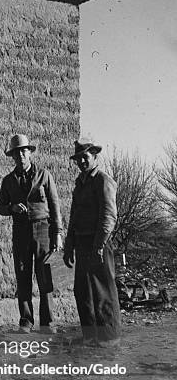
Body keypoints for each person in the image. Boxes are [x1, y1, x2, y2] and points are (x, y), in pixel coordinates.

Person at [0, 134, 63, 333]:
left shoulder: (44, 175)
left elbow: (55, 205)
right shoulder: (8, 181)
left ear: (30, 153)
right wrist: (11, 208)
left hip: (42, 229)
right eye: (16, 153)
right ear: (12, 157)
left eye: (24, 151)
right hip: (21, 231)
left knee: (45, 277)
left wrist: (58, 232)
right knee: (23, 275)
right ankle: (26, 320)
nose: (21, 156)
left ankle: (47, 322)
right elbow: (0, 207)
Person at [63, 138, 121, 347]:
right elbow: (74, 215)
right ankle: (89, 335)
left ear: (94, 157)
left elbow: (109, 216)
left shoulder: (103, 181)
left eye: (85, 158)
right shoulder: (80, 183)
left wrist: (99, 246)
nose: (81, 162)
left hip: (99, 242)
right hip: (82, 242)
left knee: (103, 290)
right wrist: (69, 246)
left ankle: (108, 337)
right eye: (78, 159)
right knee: (83, 290)